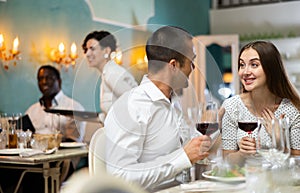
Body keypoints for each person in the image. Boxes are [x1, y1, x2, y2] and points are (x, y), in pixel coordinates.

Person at [104, 26, 212, 191]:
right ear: (174, 65)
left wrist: (211, 125)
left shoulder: (171, 102)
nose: (193, 69)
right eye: (191, 62)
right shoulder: (131, 107)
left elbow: (183, 150)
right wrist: (183, 158)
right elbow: (120, 177)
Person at [221, 41, 300, 166]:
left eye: (254, 65)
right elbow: (227, 160)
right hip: (244, 182)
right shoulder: (232, 106)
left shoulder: (292, 110)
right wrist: (242, 154)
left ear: (271, 68)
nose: (245, 72)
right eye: (242, 65)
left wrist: (279, 141)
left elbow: (297, 164)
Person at [82, 31, 138, 122]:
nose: (87, 54)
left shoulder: (112, 73)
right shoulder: (107, 73)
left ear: (106, 51)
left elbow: (135, 103)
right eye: (86, 50)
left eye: (92, 49)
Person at [26, 65, 86, 142]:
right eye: (40, 79)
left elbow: (75, 141)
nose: (44, 82)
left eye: (49, 78)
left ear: (59, 81)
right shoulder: (31, 111)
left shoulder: (74, 108)